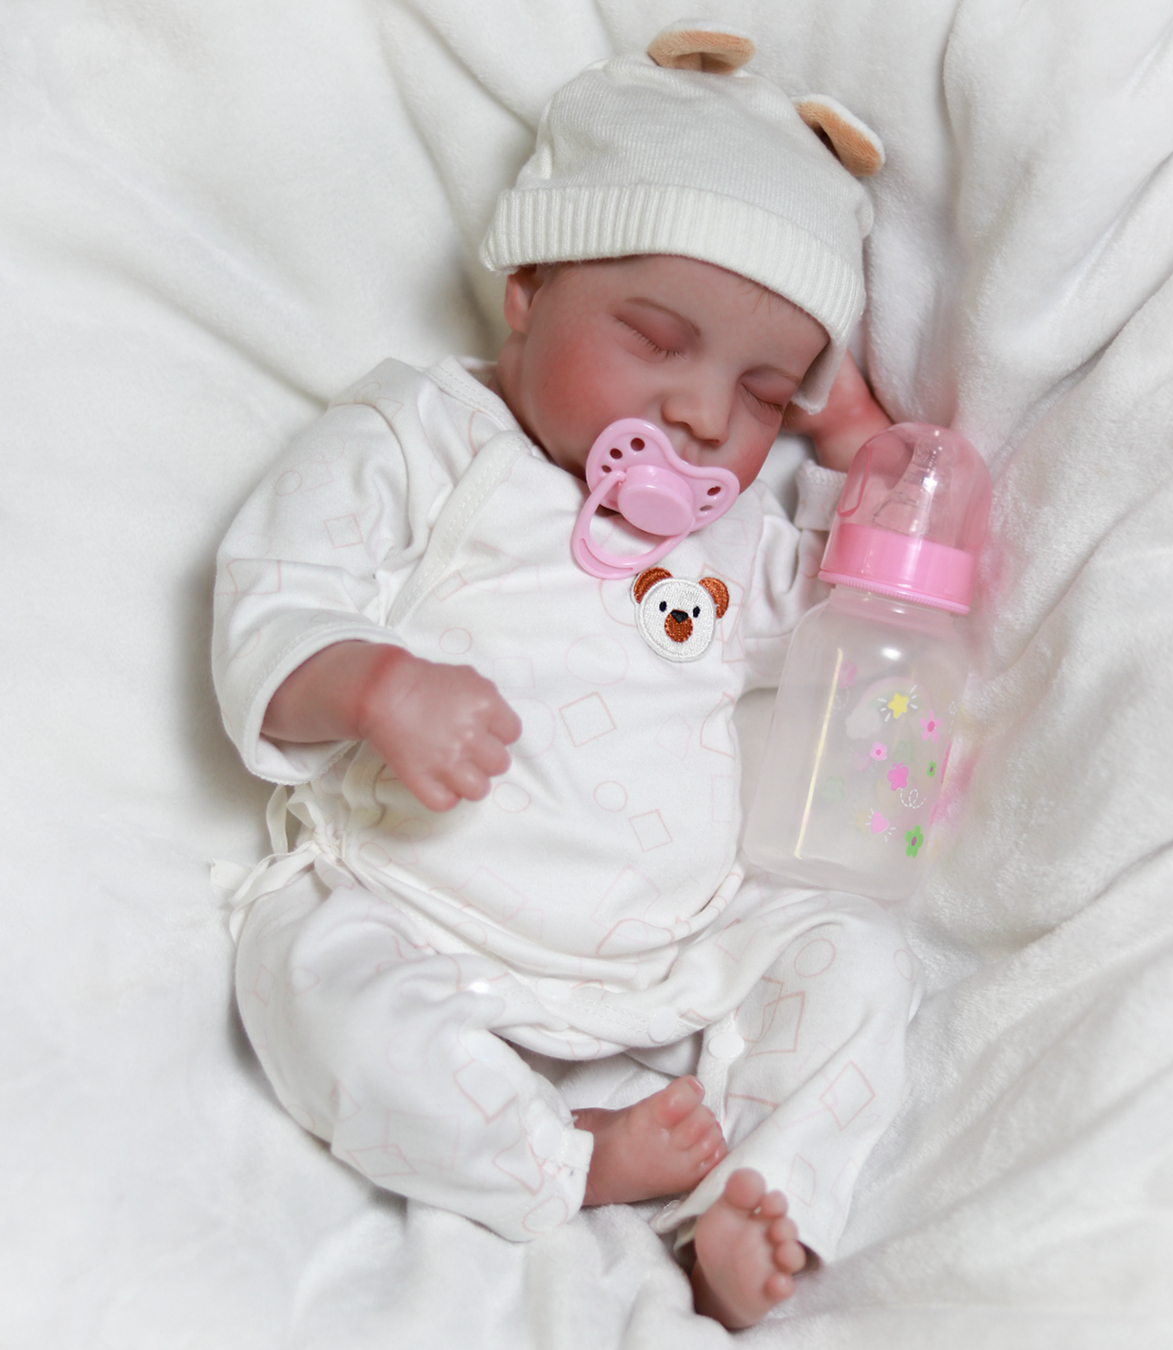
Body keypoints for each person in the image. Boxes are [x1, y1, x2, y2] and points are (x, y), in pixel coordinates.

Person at [213, 24, 918, 1330]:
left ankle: (750, 1195)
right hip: (415, 911)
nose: (704, 416)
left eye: (764, 391)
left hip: (678, 947)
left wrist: (854, 437)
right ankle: (564, 1156)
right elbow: (273, 597)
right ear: (528, 288)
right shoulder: (420, 437)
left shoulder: (727, 534)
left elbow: (854, 598)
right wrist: (368, 685)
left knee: (860, 959)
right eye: (656, 340)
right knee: (314, 987)